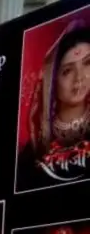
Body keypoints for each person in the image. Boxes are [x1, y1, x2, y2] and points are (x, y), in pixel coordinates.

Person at [17, 21, 90, 190]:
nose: (80, 78)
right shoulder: (34, 151)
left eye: (87, 63)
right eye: (67, 71)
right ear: (51, 83)